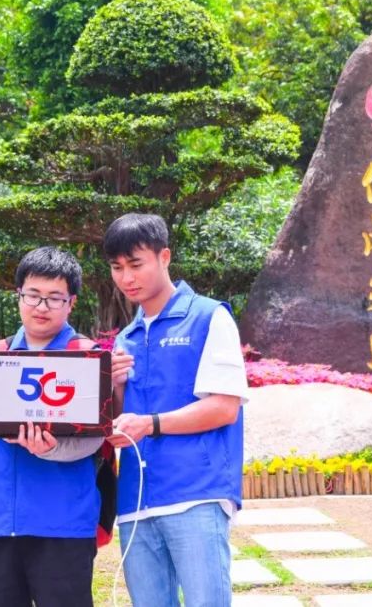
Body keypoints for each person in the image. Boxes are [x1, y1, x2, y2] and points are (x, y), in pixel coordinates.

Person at [106, 213, 248, 607]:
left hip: (195, 493)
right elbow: (123, 421)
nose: (126, 277)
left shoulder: (209, 316)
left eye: (136, 264)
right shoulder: (126, 338)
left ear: (164, 256)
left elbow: (223, 408)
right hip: (136, 501)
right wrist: (115, 388)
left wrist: (149, 424)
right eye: (117, 268)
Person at [0, 246, 102, 607]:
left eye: (54, 298)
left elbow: (94, 440)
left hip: (63, 525)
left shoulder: (86, 357)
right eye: (32, 295)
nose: (41, 306)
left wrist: (49, 448)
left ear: (71, 303)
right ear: (19, 296)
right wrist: (4, 415)